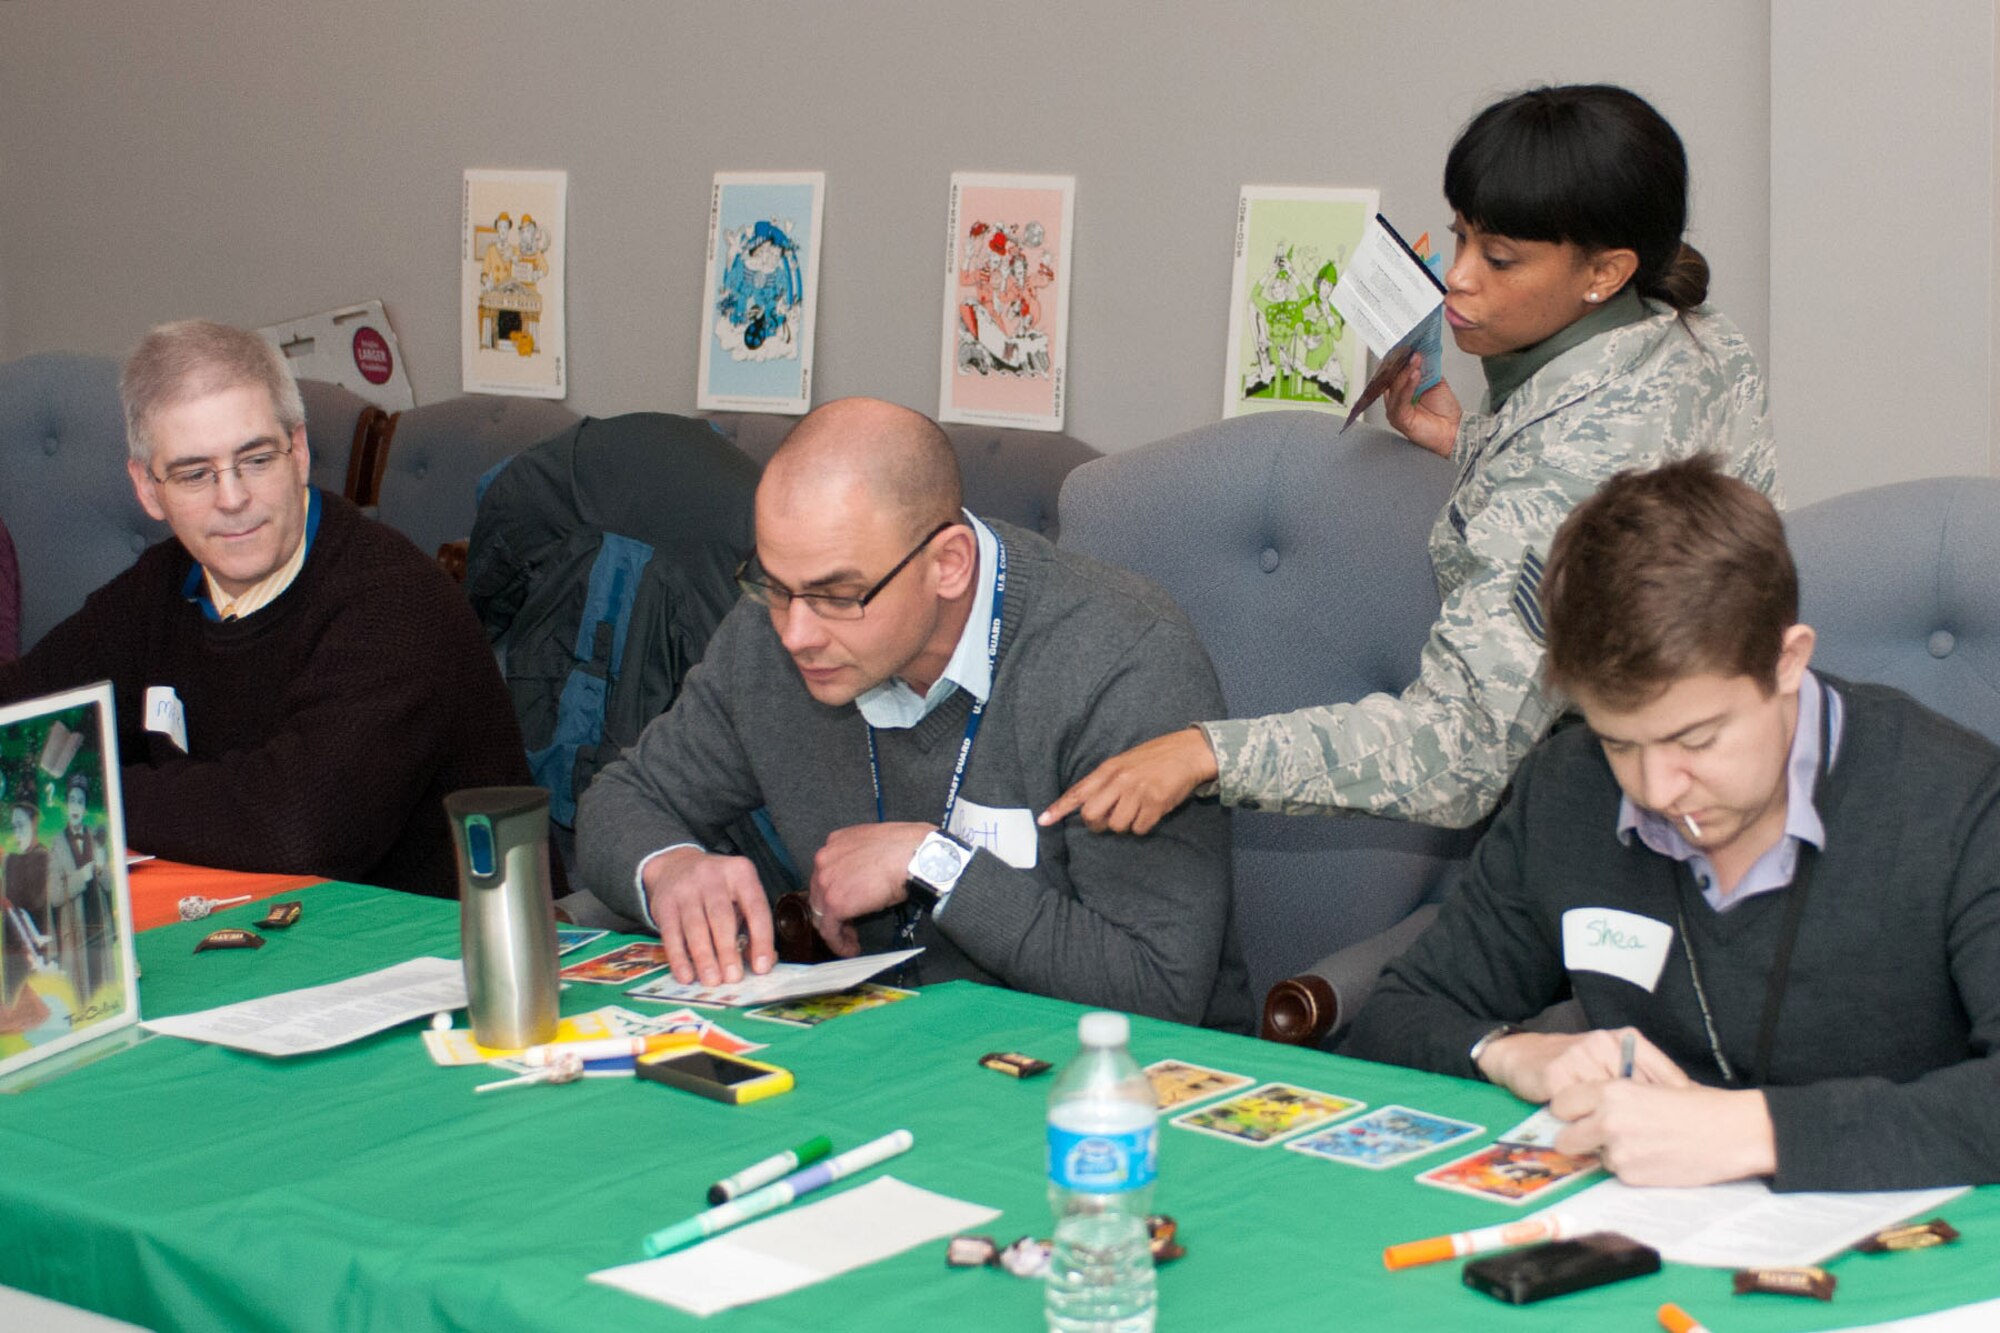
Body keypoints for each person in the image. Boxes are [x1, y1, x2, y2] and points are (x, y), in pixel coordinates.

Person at [1041, 83, 1777, 839]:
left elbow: (1456, 753)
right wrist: (1474, 446)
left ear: (1604, 272)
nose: (1458, 276)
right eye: (1460, 238)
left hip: (1623, 831)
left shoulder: (1569, 473)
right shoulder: (1691, 337)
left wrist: (1204, 753)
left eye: (1498, 257)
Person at [1345, 457, 2000, 1192]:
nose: (1656, 788)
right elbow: (1398, 1015)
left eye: (1695, 740)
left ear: (1788, 662)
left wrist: (1756, 1131)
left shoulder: (1962, 804)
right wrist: (1509, 1051)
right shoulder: (1568, 789)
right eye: (1620, 741)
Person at [576, 397, 1249, 1029]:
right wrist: (669, 869)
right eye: (773, 586)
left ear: (948, 564)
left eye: (838, 593)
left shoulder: (1121, 661)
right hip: (882, 1052)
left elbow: (1158, 991)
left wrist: (936, 863)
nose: (795, 633)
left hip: (1097, 1083)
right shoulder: (776, 635)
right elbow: (626, 797)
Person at [0, 320, 534, 897]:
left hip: (438, 954)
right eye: (195, 473)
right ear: (148, 489)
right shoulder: (163, 586)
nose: (232, 499)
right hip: (246, 929)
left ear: (299, 452)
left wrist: (73, 792)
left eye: (256, 460)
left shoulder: (397, 602)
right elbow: (24, 706)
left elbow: (296, 830)